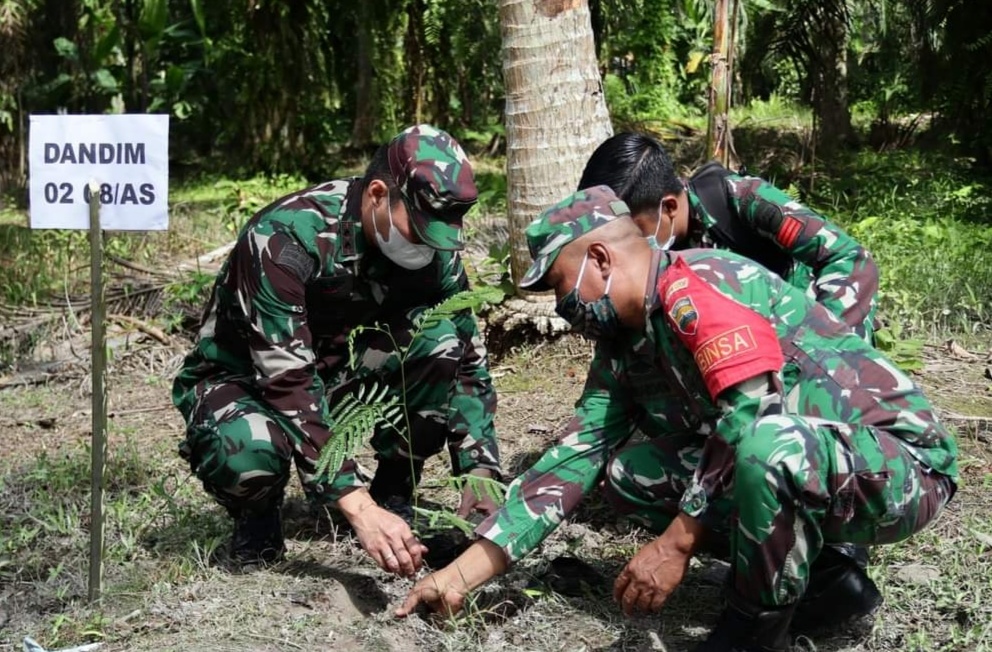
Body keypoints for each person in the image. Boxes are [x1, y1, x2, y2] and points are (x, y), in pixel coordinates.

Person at [397, 186, 958, 652]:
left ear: (599, 260)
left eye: (562, 287)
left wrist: (675, 544)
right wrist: (459, 577)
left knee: (764, 445)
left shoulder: (698, 285)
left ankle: (754, 630)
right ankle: (822, 579)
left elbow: (753, 408)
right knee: (630, 473)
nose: (563, 307)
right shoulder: (623, 346)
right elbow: (571, 460)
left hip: (898, 467)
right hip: (803, 463)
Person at [172, 125, 501, 575]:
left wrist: (480, 471)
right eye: (420, 230)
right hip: (247, 381)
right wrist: (355, 504)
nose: (432, 246)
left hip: (341, 374)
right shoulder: (286, 237)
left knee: (438, 342)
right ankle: (258, 516)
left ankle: (394, 493)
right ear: (378, 195)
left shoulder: (435, 245)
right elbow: (286, 380)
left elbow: (466, 356)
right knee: (248, 451)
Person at [578, 132, 879, 344]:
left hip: (799, 335)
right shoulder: (645, 260)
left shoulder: (743, 201)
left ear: (668, 207)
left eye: (632, 230)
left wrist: (830, 346)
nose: (624, 244)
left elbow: (849, 258)